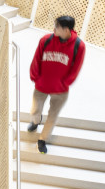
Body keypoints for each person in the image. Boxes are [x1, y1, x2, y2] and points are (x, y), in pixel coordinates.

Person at [28, 15, 85, 154]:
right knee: (35, 110)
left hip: (60, 91)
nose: (54, 28)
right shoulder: (46, 40)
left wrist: (64, 83)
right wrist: (35, 76)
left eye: (57, 26)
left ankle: (42, 140)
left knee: (52, 116)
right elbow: (37, 58)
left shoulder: (79, 46)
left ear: (66, 30)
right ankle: (36, 121)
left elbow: (76, 68)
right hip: (42, 85)